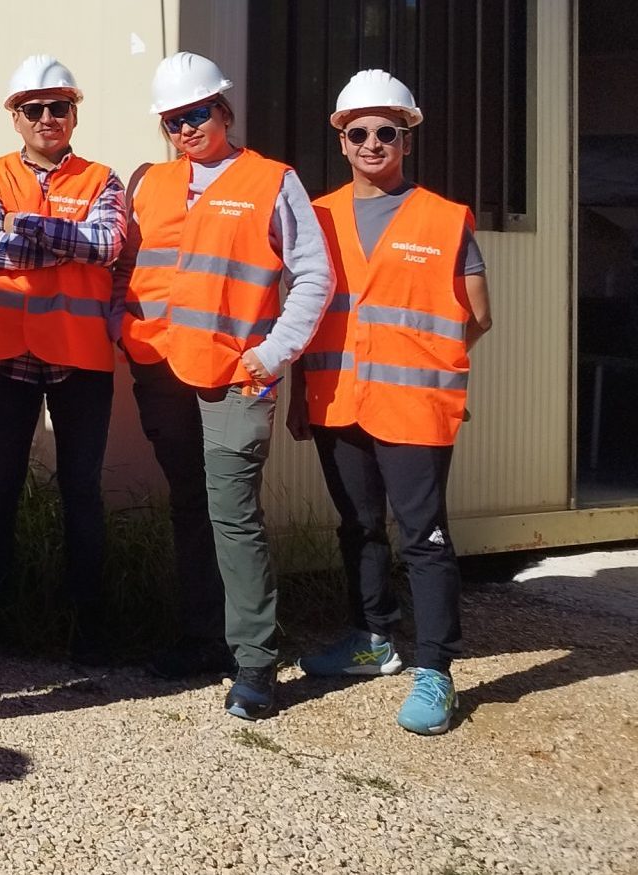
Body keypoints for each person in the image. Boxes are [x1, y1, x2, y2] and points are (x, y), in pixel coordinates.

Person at [120, 52, 332, 721]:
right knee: (189, 504)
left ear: (224, 110)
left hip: (238, 375)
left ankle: (255, 662)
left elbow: (315, 275)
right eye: (173, 120)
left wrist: (273, 354)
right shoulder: (150, 182)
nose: (186, 128)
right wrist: (122, 327)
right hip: (161, 368)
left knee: (233, 512)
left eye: (197, 113)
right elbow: (128, 265)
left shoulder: (273, 180)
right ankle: (200, 638)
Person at [293, 71, 492, 736]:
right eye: (360, 132)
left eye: (387, 131)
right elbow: (305, 310)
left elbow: (478, 315)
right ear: (342, 141)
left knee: (424, 537)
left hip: (414, 407)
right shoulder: (316, 215)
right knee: (357, 526)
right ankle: (372, 639)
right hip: (336, 399)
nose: (373, 142)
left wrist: (428, 366)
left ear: (407, 138)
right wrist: (299, 394)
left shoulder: (444, 217)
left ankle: (435, 668)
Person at [0, 55, 125, 663]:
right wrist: (65, 241)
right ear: (16, 117)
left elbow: (108, 245)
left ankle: (89, 630)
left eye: (59, 107)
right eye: (33, 109)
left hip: (79, 358)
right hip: (6, 354)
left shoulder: (103, 179)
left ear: (74, 114)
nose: (47, 118)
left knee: (81, 493)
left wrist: (28, 226)